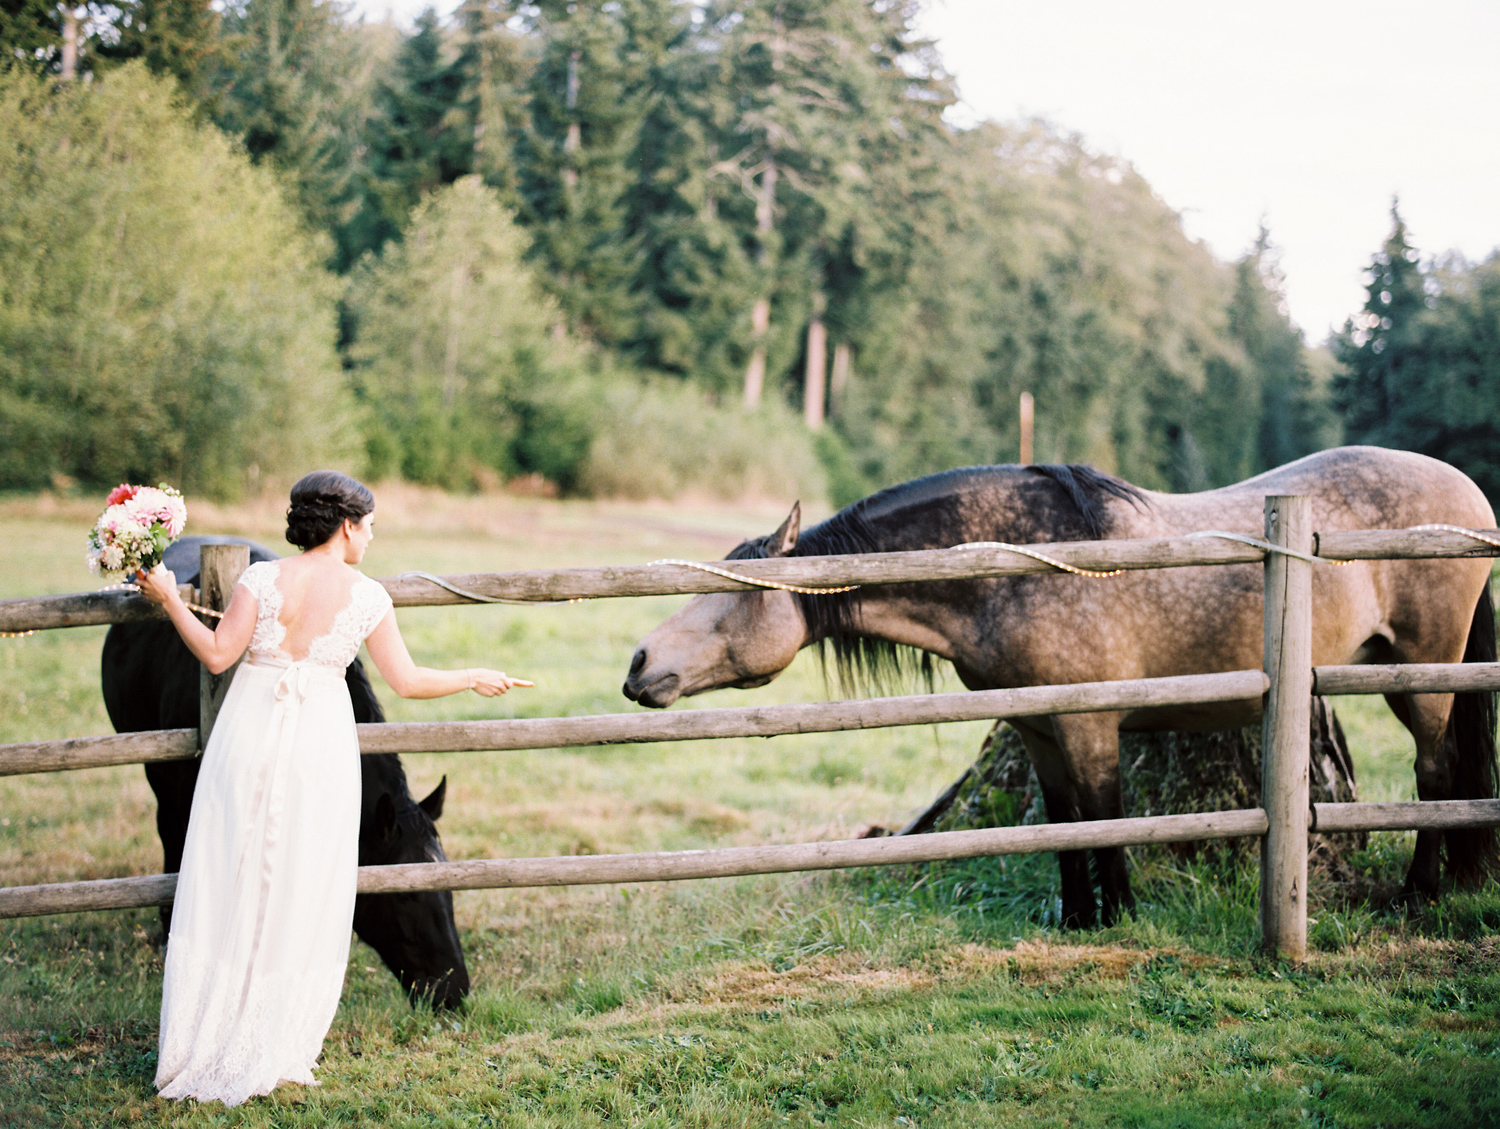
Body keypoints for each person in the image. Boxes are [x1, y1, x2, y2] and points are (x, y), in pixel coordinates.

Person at [134, 469, 531, 1106]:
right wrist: (473, 675)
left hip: (249, 738)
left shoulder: (262, 580)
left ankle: (209, 1031)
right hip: (319, 751)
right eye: (369, 525)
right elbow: (404, 681)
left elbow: (215, 655)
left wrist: (170, 598)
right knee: (297, 881)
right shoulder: (367, 596)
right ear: (347, 525)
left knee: (232, 870)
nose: (371, 537)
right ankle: (272, 1037)